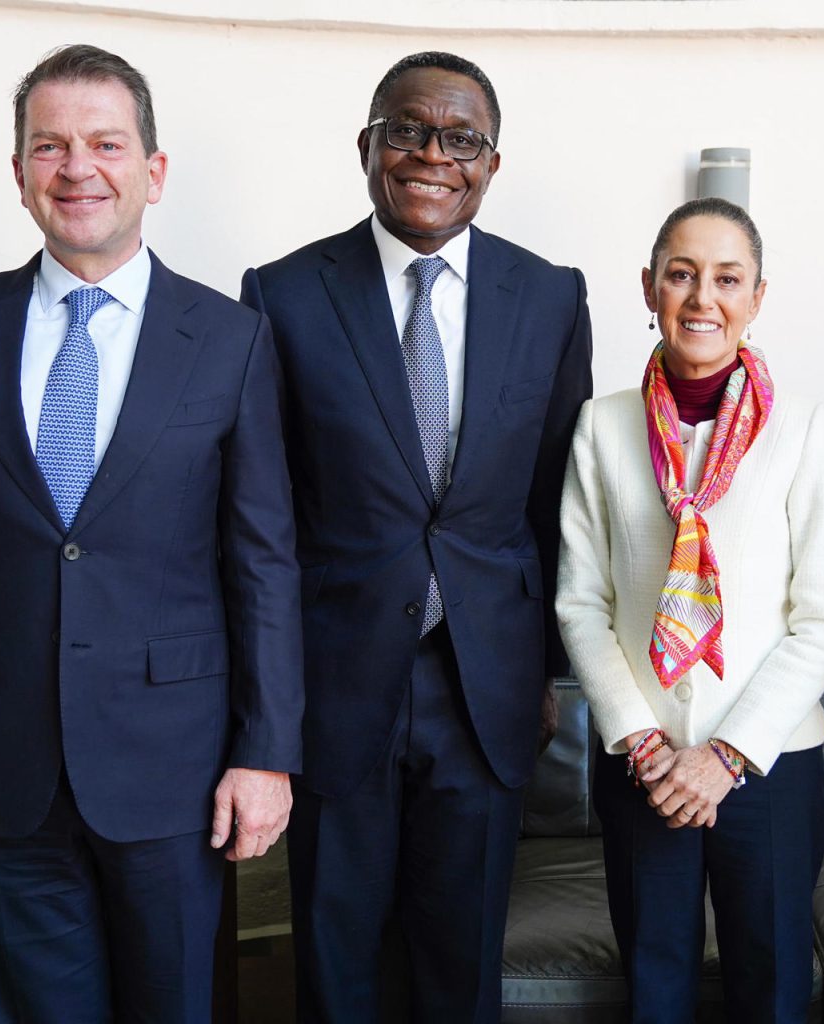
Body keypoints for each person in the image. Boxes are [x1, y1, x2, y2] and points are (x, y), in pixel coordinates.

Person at [0, 44, 303, 1024]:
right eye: (48, 146)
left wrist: (266, 751)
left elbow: (263, 563)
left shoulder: (232, 339)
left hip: (173, 769)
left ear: (154, 170)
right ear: (18, 173)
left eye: (105, 143)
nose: (77, 168)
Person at [240, 51, 592, 1022]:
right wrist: (268, 692)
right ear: (367, 146)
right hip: (335, 677)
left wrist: (550, 672)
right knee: (336, 960)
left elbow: (560, 497)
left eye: (461, 138)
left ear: (491, 162)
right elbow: (261, 517)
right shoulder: (282, 295)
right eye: (408, 130)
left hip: (485, 685)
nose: (433, 154)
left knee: (460, 964)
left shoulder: (551, 296)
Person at [556, 197, 824, 1023]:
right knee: (655, 983)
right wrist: (645, 743)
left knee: (774, 987)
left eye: (728, 279)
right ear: (649, 287)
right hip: (642, 764)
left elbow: (819, 617)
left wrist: (725, 755)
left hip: (769, 764)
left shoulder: (801, 429)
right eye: (681, 275)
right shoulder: (602, 426)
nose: (702, 299)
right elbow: (582, 602)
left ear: (758, 296)